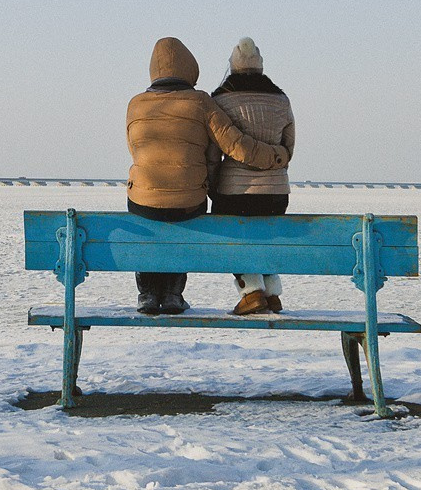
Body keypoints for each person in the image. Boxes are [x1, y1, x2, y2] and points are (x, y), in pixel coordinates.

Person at [127, 36, 291, 316]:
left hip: (143, 200)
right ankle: (173, 293)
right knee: (187, 217)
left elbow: (135, 148)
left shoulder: (135, 104)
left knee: (148, 219)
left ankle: (148, 293)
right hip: (191, 200)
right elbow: (235, 145)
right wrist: (276, 157)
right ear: (190, 68)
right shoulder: (202, 102)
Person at [210, 36, 297, 315]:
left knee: (231, 238)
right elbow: (288, 148)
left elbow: (213, 153)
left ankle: (251, 292)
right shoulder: (281, 99)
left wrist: (212, 186)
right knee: (267, 237)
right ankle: (271, 294)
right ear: (260, 67)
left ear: (233, 67)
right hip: (275, 193)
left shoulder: (220, 100)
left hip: (233, 192)